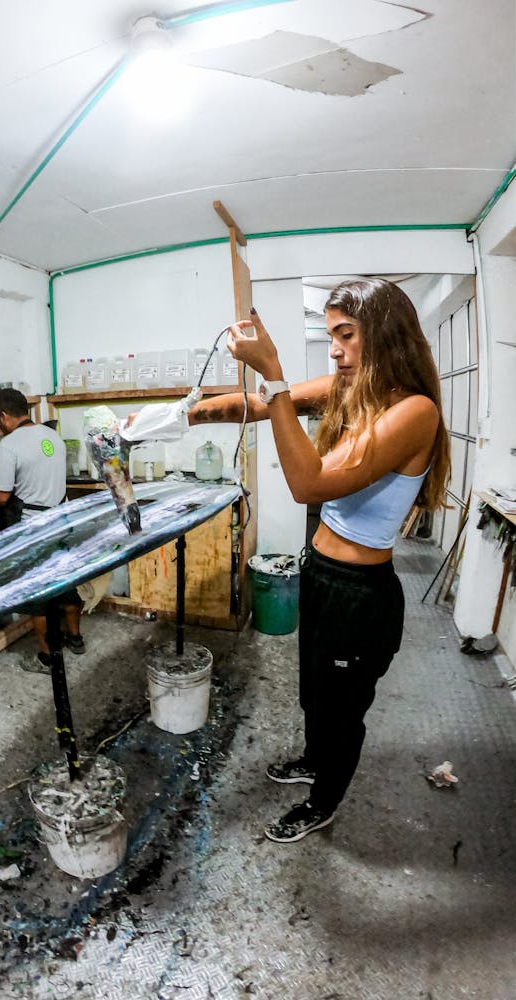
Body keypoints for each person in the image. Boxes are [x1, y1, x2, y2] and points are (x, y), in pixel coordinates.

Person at [187, 277, 451, 843]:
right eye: (332, 335)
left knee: (341, 710)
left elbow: (309, 485)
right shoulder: (352, 391)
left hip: (361, 592)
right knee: (314, 692)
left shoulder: (415, 412)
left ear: (385, 335)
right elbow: (262, 406)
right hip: (322, 573)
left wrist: (273, 365)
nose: (335, 349)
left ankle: (324, 800)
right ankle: (314, 760)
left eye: (346, 335)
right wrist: (186, 416)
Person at [0, 388, 85, 671]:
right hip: (61, 522)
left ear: (3, 416)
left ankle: (47, 657)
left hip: (33, 526)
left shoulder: (10, 445)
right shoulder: (52, 436)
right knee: (66, 581)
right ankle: (75, 639)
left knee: (37, 595)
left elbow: (1, 496)